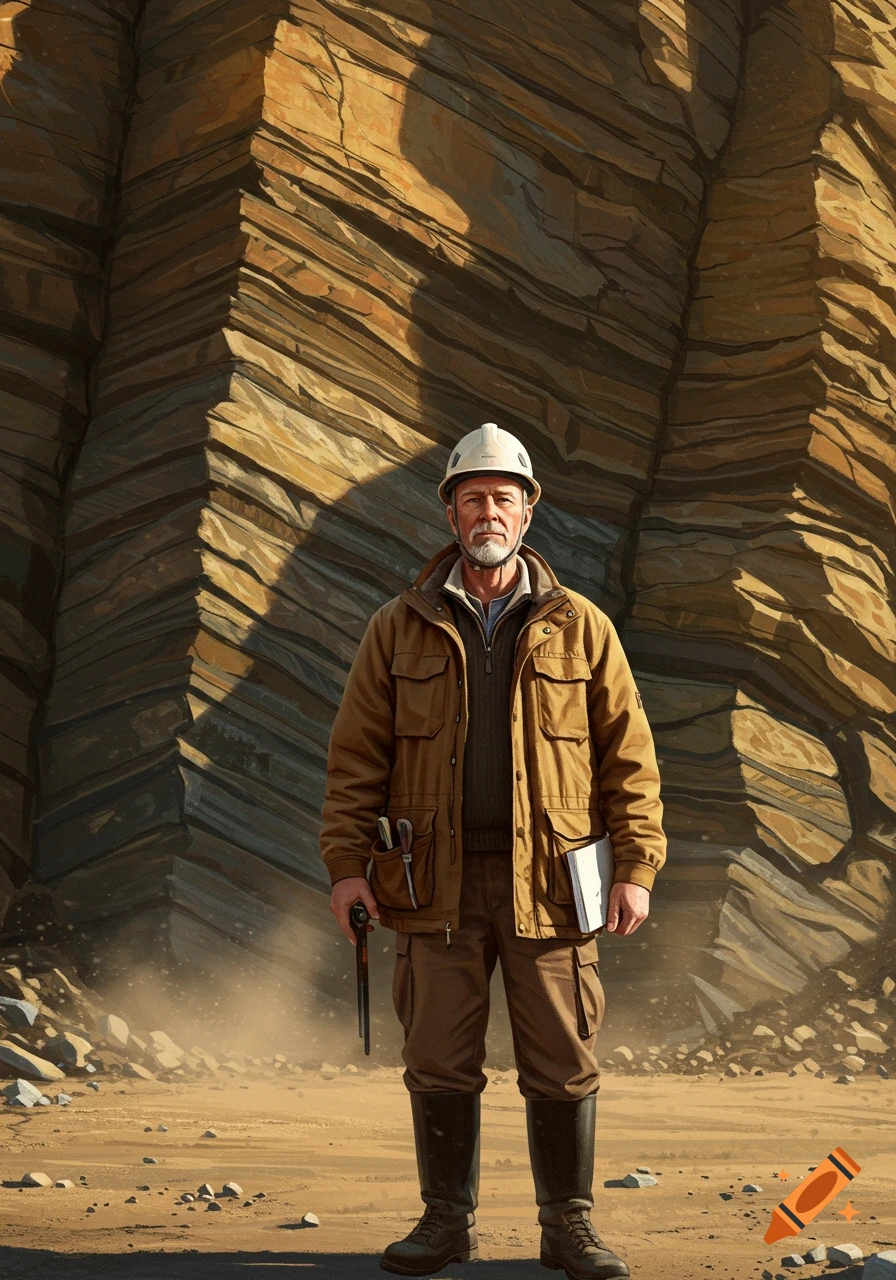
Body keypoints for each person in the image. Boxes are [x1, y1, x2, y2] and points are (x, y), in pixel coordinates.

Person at [320, 422, 666, 1280]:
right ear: (449, 512)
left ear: (527, 513)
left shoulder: (580, 628)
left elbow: (630, 755)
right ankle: (446, 1223)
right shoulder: (395, 629)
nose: (488, 512)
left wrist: (637, 868)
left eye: (502, 499)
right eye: (471, 498)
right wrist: (347, 867)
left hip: (550, 884)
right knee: (438, 1055)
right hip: (430, 883)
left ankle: (569, 1229)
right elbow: (355, 759)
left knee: (562, 1054)